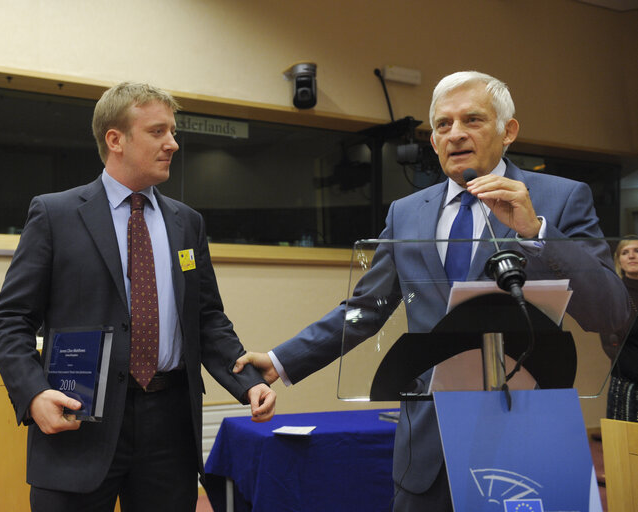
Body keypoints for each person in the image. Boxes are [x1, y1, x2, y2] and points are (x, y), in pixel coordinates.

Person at [234, 71, 630, 510]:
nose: (455, 134)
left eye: (473, 120)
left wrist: (536, 232)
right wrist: (279, 360)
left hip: (525, 430)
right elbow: (368, 306)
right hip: (428, 443)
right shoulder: (407, 213)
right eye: (443, 124)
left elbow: (611, 312)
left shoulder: (558, 199)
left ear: (508, 130)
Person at [0, 82, 276, 512]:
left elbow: (206, 319)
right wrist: (33, 394)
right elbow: (10, 320)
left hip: (169, 426)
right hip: (80, 420)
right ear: (115, 139)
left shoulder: (187, 223)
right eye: (158, 132)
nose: (173, 144)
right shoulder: (56, 215)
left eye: (173, 132)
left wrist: (247, 383)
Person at [602, 237, 638, 421]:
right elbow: (609, 342)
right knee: (626, 445)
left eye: (636, 251)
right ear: (619, 261)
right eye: (625, 252)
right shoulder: (614, 292)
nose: (632, 256)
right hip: (626, 378)